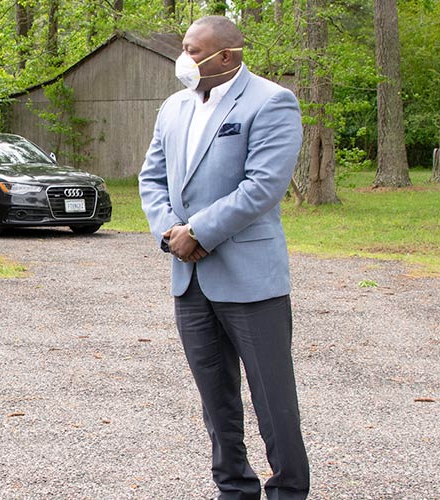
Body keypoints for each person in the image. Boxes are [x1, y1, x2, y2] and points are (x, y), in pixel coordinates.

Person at [139, 16, 310, 500]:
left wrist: (200, 231)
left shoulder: (271, 101)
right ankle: (234, 488)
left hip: (251, 281)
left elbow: (262, 187)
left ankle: (289, 490)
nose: (184, 59)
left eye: (193, 51)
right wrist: (170, 233)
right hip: (189, 281)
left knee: (274, 400)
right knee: (216, 401)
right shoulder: (173, 107)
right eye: (185, 48)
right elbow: (151, 179)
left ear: (227, 56)